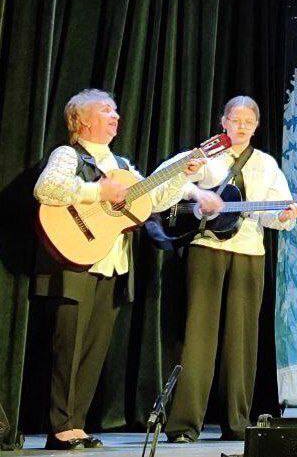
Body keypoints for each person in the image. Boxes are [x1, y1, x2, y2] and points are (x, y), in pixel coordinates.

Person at [34, 89, 212, 450]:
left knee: (94, 348)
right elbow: (46, 188)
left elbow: (153, 200)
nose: (115, 115)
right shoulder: (68, 154)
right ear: (82, 120)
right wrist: (97, 191)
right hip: (75, 260)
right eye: (105, 110)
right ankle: (60, 426)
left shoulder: (123, 164)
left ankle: (76, 424)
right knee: (69, 348)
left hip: (111, 264)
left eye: (115, 110)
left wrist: (181, 175)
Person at [166, 96, 297, 442]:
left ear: (256, 127)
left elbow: (273, 216)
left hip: (248, 252)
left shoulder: (267, 164)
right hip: (207, 248)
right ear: (223, 122)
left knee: (242, 341)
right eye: (235, 120)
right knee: (198, 336)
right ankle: (184, 424)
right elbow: (171, 180)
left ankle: (237, 422)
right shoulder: (206, 155)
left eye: (248, 122)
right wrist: (198, 193)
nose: (241, 127)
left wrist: (284, 215)